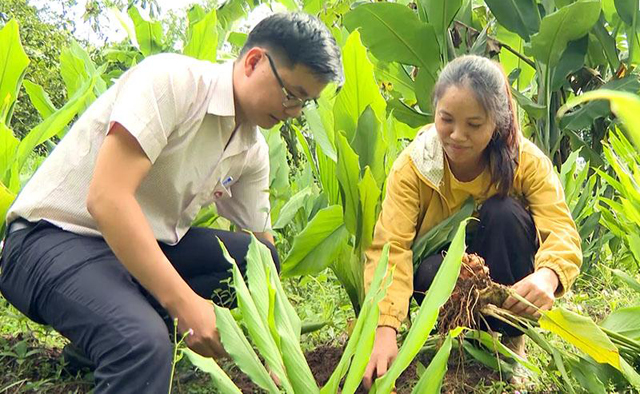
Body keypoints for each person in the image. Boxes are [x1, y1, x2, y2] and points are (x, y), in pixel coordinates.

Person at [0, 12, 342, 393]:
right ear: (254, 61)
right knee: (141, 345)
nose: (294, 112)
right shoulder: (172, 83)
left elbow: (263, 251)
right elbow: (107, 198)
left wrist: (276, 346)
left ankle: (97, 341)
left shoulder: (252, 149)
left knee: (257, 258)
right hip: (51, 240)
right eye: (291, 94)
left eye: (305, 103)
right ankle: (130, 337)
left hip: (135, 249)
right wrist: (186, 305)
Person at [362, 55, 581, 389]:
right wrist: (385, 327)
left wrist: (549, 276)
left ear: (496, 124)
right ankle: (456, 341)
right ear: (434, 112)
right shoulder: (416, 166)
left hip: (505, 285)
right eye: (446, 119)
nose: (457, 135)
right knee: (434, 270)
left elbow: (561, 228)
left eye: (474, 125)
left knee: (504, 213)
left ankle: (508, 344)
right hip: (440, 279)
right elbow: (391, 247)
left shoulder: (525, 160)